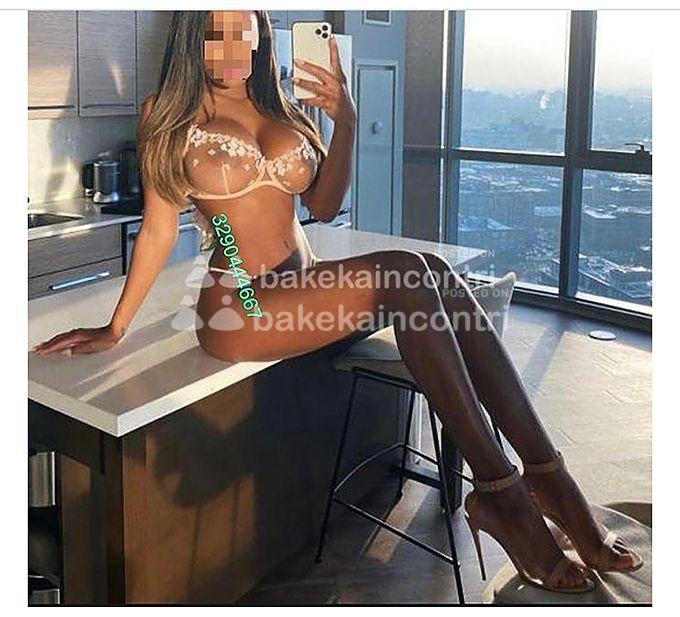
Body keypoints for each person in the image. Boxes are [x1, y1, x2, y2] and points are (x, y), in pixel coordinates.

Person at [34, 11, 641, 593]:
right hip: (240, 302)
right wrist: (116, 327)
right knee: (409, 274)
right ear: (193, 38)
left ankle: (545, 477)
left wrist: (346, 120)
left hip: (302, 288)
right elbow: (159, 230)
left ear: (262, 38)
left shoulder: (283, 108)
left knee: (433, 275)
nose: (233, 50)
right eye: (217, 34)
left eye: (246, 32)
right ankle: (502, 490)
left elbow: (323, 206)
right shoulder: (167, 117)